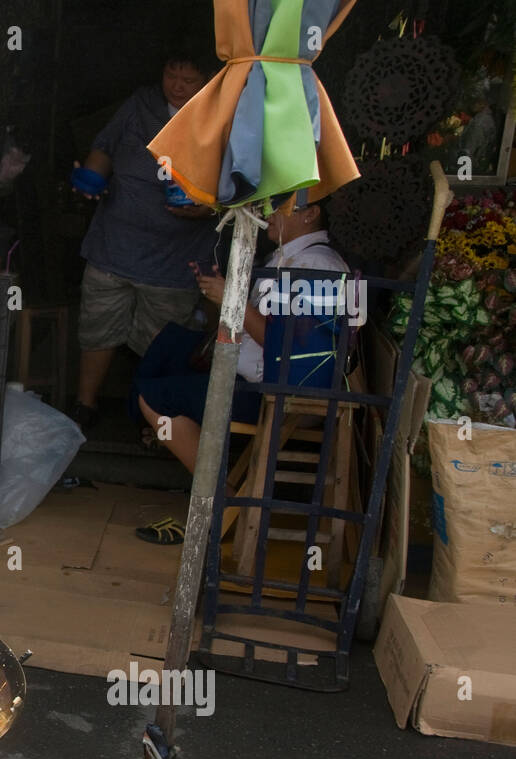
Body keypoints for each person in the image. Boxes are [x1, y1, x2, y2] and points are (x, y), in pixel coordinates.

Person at [132, 198, 353, 544]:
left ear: (311, 214)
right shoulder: (288, 258)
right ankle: (199, 467)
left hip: (280, 394)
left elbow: (288, 352)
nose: (269, 215)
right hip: (258, 375)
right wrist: (222, 295)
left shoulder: (315, 266)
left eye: (283, 207)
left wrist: (234, 300)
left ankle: (226, 505)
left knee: (154, 399)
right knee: (170, 345)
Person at [70, 52, 219, 430]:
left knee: (161, 340)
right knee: (98, 328)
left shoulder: (220, 117)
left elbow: (236, 184)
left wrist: (208, 209)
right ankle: (84, 409)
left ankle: (151, 421)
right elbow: (105, 146)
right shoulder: (140, 106)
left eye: (189, 79)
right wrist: (91, 179)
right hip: (114, 245)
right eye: (172, 74)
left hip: (174, 258)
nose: (178, 85)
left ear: (208, 80)